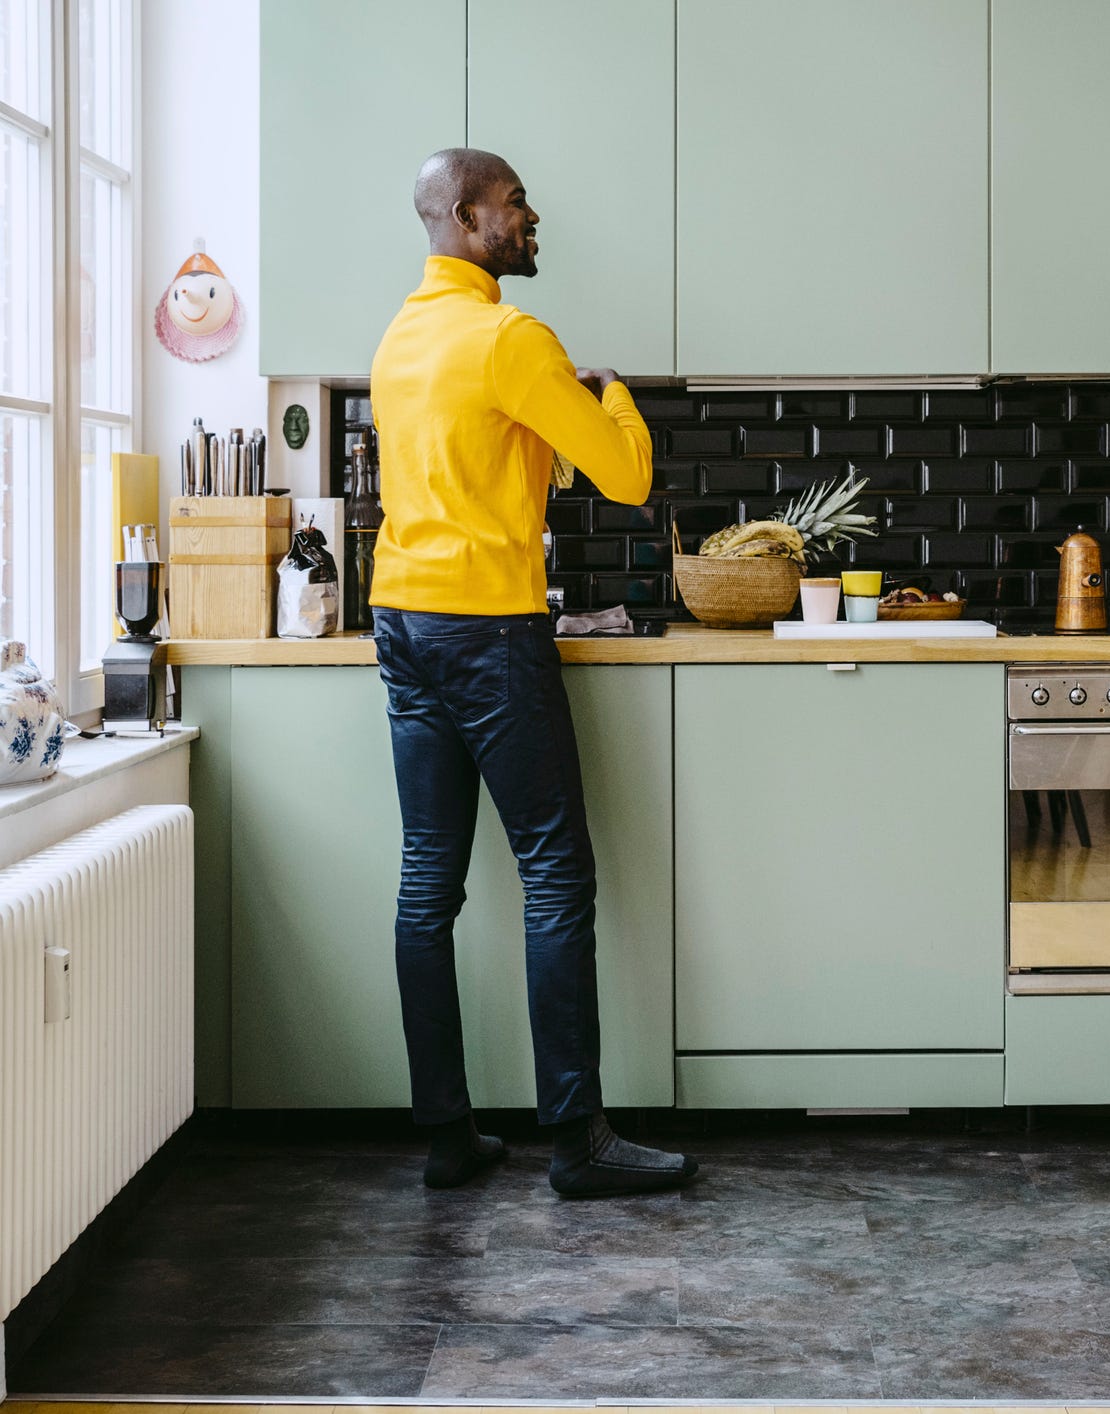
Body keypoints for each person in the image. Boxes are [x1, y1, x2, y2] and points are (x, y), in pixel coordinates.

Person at [368, 148, 698, 1197]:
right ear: (468, 218)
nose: (532, 217)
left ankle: (447, 1134)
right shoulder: (510, 337)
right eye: (515, 204)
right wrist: (616, 395)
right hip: (486, 631)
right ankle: (577, 1141)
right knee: (555, 874)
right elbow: (628, 476)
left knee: (428, 883)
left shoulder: (399, 335)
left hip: (400, 622)